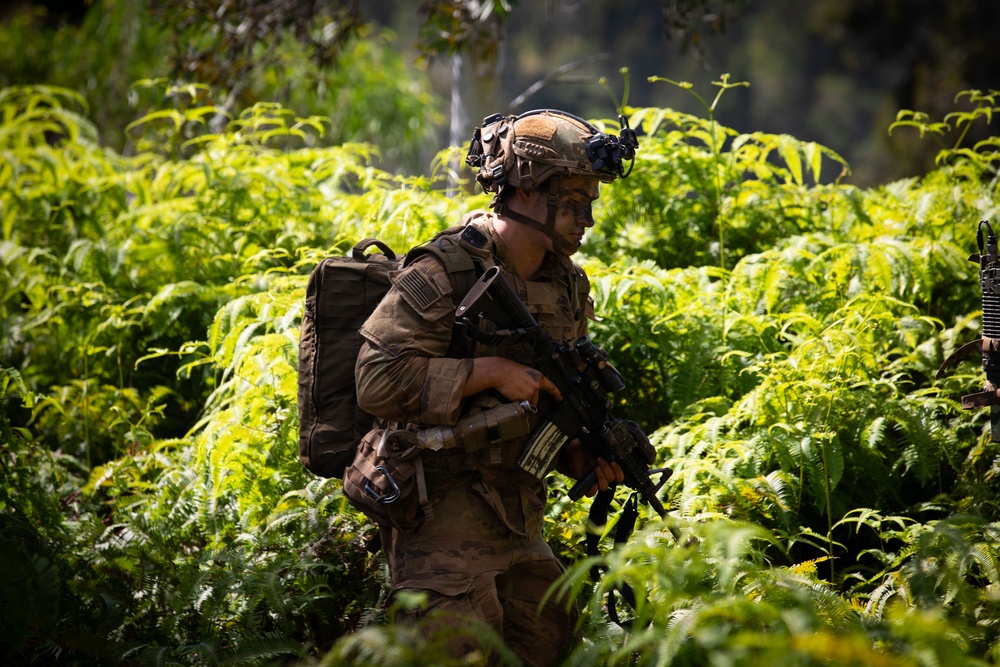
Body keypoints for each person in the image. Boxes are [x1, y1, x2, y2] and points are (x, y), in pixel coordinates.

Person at [354, 109, 637, 665]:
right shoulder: (445, 271)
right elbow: (375, 379)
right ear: (528, 191)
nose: (587, 220)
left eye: (591, 204)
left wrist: (578, 455)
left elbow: (543, 414)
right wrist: (489, 372)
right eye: (575, 202)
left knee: (549, 637)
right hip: (440, 516)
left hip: (518, 518)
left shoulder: (567, 287)